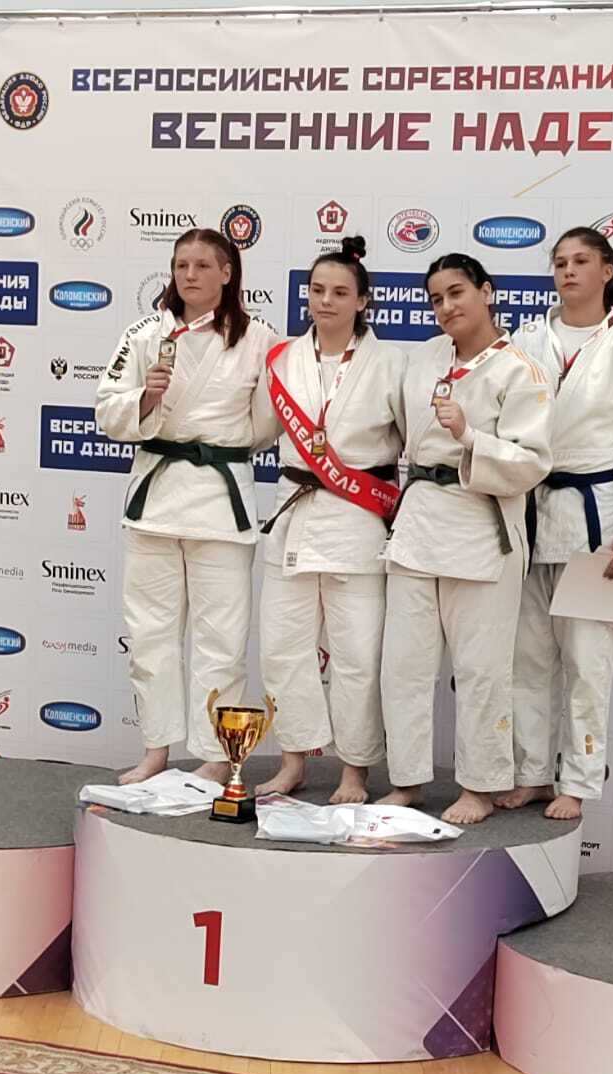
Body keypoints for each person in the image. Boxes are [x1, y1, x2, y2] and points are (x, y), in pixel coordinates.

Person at [503, 227, 613, 820]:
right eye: (559, 262)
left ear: (607, 271)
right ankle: (529, 773)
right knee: (526, 658)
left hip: (598, 517)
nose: (568, 271)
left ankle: (575, 781)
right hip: (528, 512)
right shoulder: (525, 340)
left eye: (581, 261)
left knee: (587, 662)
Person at [95, 228, 277, 785]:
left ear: (227, 272)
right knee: (149, 634)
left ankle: (217, 754)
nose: (189, 275)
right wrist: (146, 398)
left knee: (221, 638)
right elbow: (107, 410)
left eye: (202, 265)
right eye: (181, 265)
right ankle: (155, 749)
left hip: (219, 504)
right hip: (154, 502)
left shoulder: (260, 340)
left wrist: (220, 449)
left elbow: (265, 425)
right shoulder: (144, 334)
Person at [380, 253, 552, 825]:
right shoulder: (425, 358)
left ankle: (479, 785)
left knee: (481, 669)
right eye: (436, 298)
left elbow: (533, 462)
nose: (446, 306)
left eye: (456, 292)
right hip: (419, 520)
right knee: (404, 663)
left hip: (481, 526)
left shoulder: (520, 370)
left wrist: (471, 436)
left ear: (486, 291)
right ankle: (406, 779)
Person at [254, 237, 406, 804]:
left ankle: (354, 769)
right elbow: (256, 432)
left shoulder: (391, 364)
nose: (326, 301)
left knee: (357, 656)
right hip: (295, 512)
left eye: (341, 292)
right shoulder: (284, 358)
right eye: (317, 290)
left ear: (363, 300)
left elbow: (413, 441)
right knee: (282, 647)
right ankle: (293, 759)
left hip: (357, 519)